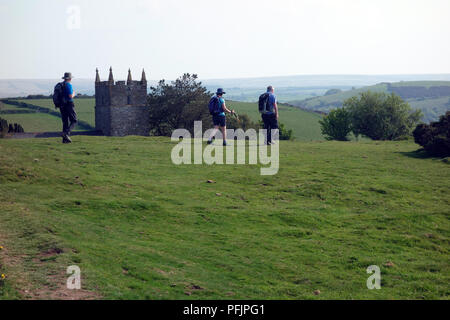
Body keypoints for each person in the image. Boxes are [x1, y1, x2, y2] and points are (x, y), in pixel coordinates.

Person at [60, 72, 77, 143]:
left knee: (65, 122)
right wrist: (74, 94)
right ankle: (66, 133)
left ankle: (65, 140)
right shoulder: (68, 85)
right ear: (69, 78)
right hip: (69, 104)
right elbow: (70, 96)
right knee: (74, 121)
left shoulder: (61, 85)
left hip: (61, 105)